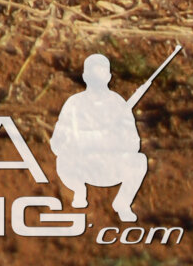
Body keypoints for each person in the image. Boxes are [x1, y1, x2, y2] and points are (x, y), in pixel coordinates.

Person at [52, 53, 150, 221]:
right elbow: (57, 141)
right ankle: (79, 191)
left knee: (139, 161)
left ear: (108, 77)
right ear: (85, 77)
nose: (97, 79)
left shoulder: (118, 104)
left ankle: (123, 203)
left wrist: (112, 141)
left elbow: (134, 143)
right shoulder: (74, 103)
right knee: (62, 160)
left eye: (101, 74)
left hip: (109, 165)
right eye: (93, 75)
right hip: (82, 166)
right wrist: (77, 144)